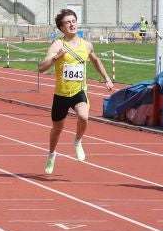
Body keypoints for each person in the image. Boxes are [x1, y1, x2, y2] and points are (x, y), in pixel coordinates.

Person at [38, 9, 114, 174]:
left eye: (73, 21)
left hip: (79, 91)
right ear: (62, 27)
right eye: (68, 22)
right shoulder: (58, 44)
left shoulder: (86, 45)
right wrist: (56, 57)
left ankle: (78, 141)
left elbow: (96, 60)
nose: (72, 24)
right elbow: (41, 68)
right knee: (57, 129)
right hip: (61, 94)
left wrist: (107, 78)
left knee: (83, 116)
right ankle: (51, 153)